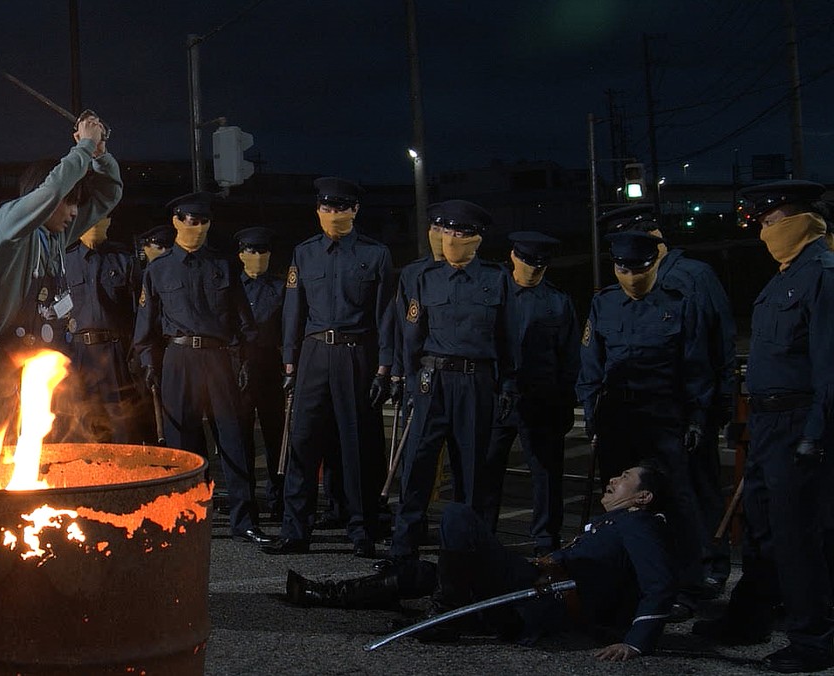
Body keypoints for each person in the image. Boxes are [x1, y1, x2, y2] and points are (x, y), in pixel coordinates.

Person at [285, 462, 677, 661]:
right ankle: (326, 594)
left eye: (625, 477)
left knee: (457, 517)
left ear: (643, 498)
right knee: (424, 573)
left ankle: (446, 616)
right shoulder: (615, 523)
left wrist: (636, 643)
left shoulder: (639, 525)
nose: (613, 479)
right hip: (532, 588)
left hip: (543, 599)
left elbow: (658, 584)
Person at [693, 180, 834, 673]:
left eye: (772, 220)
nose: (766, 231)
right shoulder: (785, 275)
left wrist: (815, 433)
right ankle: (749, 618)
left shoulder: (822, 275)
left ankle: (813, 638)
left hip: (799, 420)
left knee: (798, 537)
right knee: (760, 529)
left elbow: (829, 366)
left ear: (799, 219)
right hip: (770, 421)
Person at [576, 229, 712, 620]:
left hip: (665, 417)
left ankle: (686, 588)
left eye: (639, 268)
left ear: (654, 265)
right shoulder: (603, 305)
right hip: (618, 417)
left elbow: (696, 367)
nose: (631, 275)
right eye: (623, 268)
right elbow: (590, 366)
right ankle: (622, 582)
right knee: (618, 504)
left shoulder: (678, 304)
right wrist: (591, 413)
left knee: (678, 503)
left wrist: (697, 417)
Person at [603, 203, 738, 596]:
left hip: (685, 403)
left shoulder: (693, 275)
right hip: (644, 408)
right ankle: (660, 567)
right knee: (651, 492)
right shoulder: (633, 278)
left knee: (694, 491)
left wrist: (716, 403)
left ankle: (709, 566)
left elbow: (718, 342)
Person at [264, 177, 395, 558]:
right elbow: (294, 310)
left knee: (357, 447)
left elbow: (385, 314)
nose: (332, 214)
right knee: (303, 443)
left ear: (355, 210)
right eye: (326, 207)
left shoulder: (376, 254)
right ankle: (295, 530)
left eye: (340, 208)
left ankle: (361, 530)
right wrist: (289, 362)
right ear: (317, 209)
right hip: (314, 354)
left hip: (357, 353)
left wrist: (385, 366)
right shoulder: (304, 253)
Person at [387, 200, 518, 565]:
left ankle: (465, 554)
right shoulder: (424, 278)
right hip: (433, 380)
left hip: (476, 381)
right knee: (416, 467)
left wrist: (507, 384)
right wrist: (411, 383)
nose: (452, 239)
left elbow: (508, 338)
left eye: (461, 234)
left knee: (472, 474)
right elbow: (410, 336)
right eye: (448, 232)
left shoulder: (496, 279)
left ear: (476, 239)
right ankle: (403, 550)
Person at [132, 191, 266, 544]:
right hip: (178, 360)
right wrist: (149, 364)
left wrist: (243, 361)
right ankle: (186, 516)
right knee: (182, 445)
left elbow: (244, 321)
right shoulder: (157, 270)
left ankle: (244, 520)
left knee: (234, 441)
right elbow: (145, 327)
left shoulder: (223, 267)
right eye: (188, 220)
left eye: (202, 221)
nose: (195, 226)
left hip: (219, 358)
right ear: (176, 221)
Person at [0, 111, 121, 431]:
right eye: (69, 202)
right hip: (8, 382)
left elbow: (108, 195)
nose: (75, 212)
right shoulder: (6, 230)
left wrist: (100, 155)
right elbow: (51, 192)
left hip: (51, 378)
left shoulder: (55, 238)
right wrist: (83, 146)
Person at [480, 231, 579, 555]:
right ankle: (482, 537)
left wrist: (566, 401)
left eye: (540, 264)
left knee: (546, 476)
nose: (533, 269)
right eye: (527, 261)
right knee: (486, 470)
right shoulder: (492, 291)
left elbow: (568, 356)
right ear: (513, 257)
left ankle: (545, 543)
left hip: (541, 398)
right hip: (497, 397)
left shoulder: (557, 300)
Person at [56, 212, 140, 442]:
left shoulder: (123, 260)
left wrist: (134, 354)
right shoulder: (63, 262)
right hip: (78, 354)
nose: (94, 225)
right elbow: (52, 313)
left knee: (121, 423)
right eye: (89, 218)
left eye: (102, 218)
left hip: (114, 353)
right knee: (80, 424)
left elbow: (136, 313)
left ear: (109, 221)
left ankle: (124, 475)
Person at [234, 226, 287, 518]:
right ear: (241, 254)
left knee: (276, 436)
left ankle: (278, 500)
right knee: (240, 438)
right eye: (252, 251)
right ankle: (247, 502)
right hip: (240, 366)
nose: (257, 257)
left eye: (263, 251)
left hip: (270, 366)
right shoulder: (232, 287)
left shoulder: (279, 288)